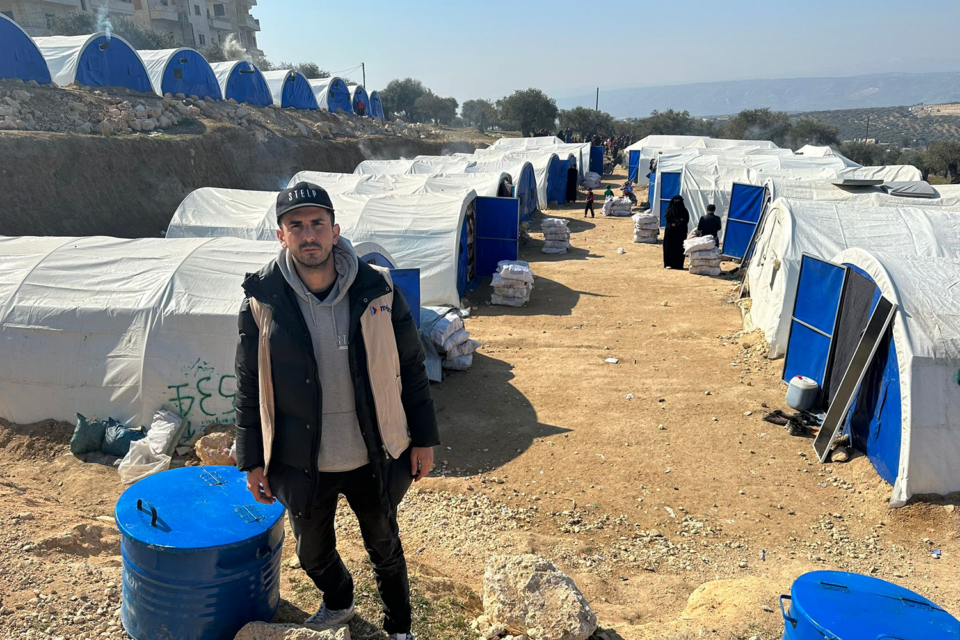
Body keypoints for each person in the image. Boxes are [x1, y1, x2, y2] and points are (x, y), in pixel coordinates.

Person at [235, 183, 439, 640]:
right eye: (297, 226)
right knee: (312, 554)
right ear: (280, 235)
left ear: (335, 230)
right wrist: (251, 460)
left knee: (385, 546)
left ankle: (399, 627)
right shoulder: (261, 301)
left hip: (375, 450)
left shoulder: (378, 290)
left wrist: (424, 438)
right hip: (300, 457)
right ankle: (340, 599)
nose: (309, 235)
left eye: (317, 224)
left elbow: (411, 367)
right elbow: (250, 385)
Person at [662, 195, 689, 269]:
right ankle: (668, 263)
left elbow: (685, 221)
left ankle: (678, 265)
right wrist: (679, 221)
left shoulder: (684, 211)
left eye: (678, 201)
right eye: (675, 201)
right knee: (669, 248)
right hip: (670, 233)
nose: (677, 203)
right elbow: (669, 220)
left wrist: (676, 223)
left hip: (681, 234)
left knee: (679, 248)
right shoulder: (670, 210)